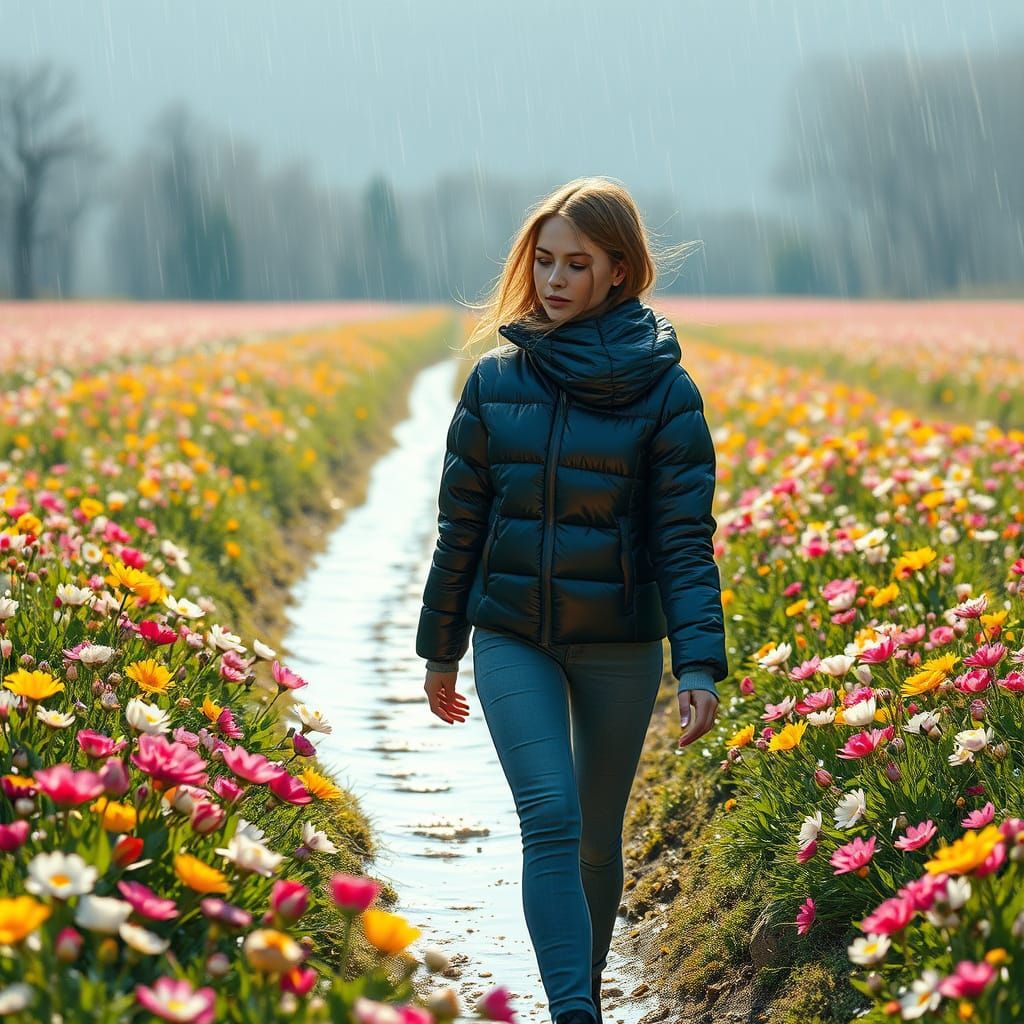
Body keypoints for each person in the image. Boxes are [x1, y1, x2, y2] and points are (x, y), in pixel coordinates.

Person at [415, 176, 728, 1024]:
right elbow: (462, 529)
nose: (552, 279)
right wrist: (442, 645)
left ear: (618, 274)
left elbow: (682, 540)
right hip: (513, 635)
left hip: (622, 644)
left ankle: (578, 994)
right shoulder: (492, 384)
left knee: (595, 837)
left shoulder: (669, 394)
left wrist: (699, 660)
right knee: (548, 813)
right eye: (543, 259)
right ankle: (574, 1011)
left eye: (576, 263)